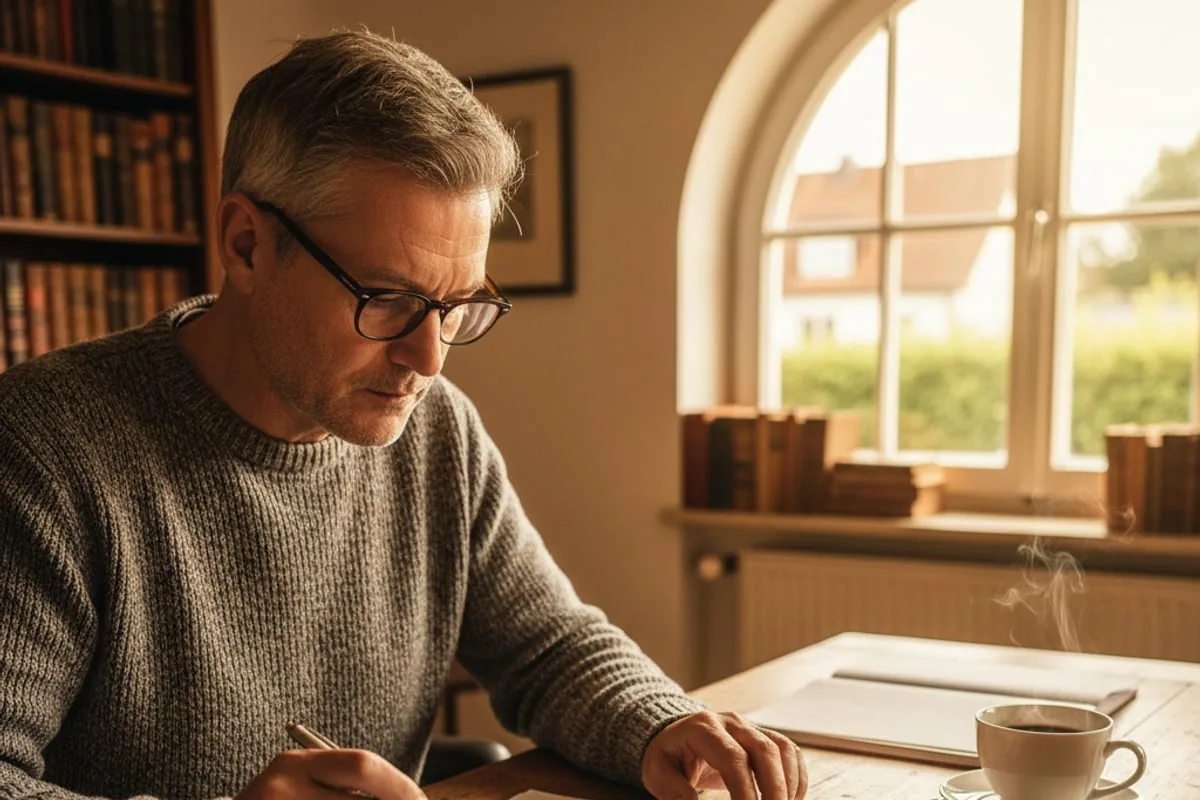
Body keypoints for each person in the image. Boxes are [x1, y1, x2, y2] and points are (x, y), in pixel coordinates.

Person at [0, 30, 807, 800]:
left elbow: (548, 645)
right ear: (246, 245)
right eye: (386, 299)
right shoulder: (42, 449)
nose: (429, 359)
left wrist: (659, 721)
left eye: (457, 306)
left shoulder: (438, 433)